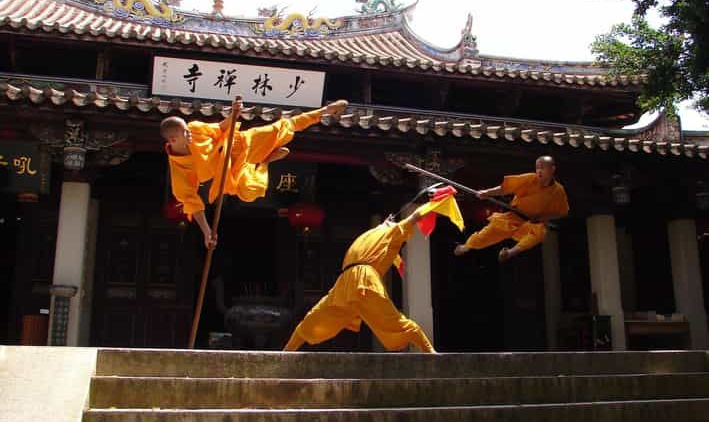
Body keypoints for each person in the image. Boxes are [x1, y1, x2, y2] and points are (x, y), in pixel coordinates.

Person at [283, 190, 464, 353]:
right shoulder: (379, 233)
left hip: (354, 280)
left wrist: (431, 204)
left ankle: (430, 352)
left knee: (315, 318)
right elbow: (413, 218)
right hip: (353, 280)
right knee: (314, 318)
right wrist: (431, 204)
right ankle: (286, 353)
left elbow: (413, 218)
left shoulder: (378, 233)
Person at [161, 96, 348, 249]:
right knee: (250, 191)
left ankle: (325, 111)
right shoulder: (179, 170)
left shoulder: (194, 127)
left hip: (240, 143)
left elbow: (220, 129)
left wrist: (234, 114)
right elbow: (193, 204)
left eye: (187, 130)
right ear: (173, 138)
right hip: (231, 173)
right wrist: (207, 232)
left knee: (281, 126)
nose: (190, 134)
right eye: (185, 133)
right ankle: (265, 160)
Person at [453, 155, 568, 263]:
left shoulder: (558, 190)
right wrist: (488, 193)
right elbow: (505, 188)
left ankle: (510, 252)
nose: (539, 171)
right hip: (512, 217)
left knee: (540, 232)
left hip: (531, 222)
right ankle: (465, 247)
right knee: (485, 236)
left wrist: (543, 217)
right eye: (537, 168)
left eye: (542, 168)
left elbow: (562, 212)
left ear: (552, 169)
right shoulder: (530, 178)